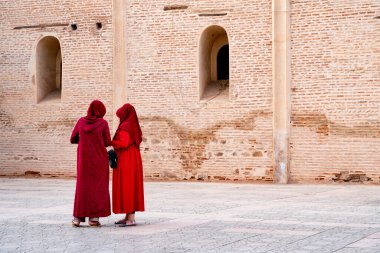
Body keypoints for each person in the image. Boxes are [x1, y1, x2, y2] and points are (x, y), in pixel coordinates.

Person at [70, 100, 112, 227]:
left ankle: (77, 218)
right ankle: (94, 219)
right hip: (99, 160)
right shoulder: (103, 123)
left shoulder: (81, 121)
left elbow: (72, 138)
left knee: (82, 187)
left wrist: (84, 140)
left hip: (84, 161)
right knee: (97, 188)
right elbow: (107, 142)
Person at [112, 103, 145, 227]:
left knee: (128, 186)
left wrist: (111, 142)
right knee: (131, 186)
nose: (119, 118)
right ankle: (128, 216)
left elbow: (124, 143)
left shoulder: (126, 126)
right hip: (133, 157)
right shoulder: (134, 126)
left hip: (127, 159)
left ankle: (130, 219)